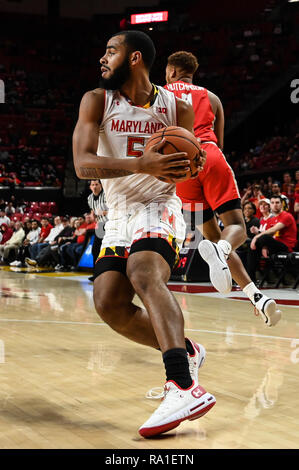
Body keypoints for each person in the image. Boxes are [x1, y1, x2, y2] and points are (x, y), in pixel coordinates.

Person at [73, 30, 214, 438]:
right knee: (109, 303)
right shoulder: (97, 100)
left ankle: (183, 385)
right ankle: (186, 351)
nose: (102, 58)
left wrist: (192, 163)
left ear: (135, 58)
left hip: (159, 205)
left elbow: (186, 164)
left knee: (144, 272)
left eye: (110, 51)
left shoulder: (177, 108)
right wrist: (141, 164)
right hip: (118, 212)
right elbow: (83, 164)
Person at [164, 51, 281, 326]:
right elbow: (221, 143)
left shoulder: (159, 95)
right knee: (234, 228)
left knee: (215, 238)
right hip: (209, 155)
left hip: (181, 169)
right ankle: (224, 251)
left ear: (170, 71)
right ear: (193, 72)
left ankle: (256, 297)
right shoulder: (212, 97)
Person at [247, 195, 297, 281]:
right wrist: (264, 246)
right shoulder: (274, 218)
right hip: (275, 245)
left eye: (277, 202)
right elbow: (271, 236)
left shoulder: (286, 216)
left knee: (261, 239)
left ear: (282, 204)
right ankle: (251, 280)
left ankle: (251, 279)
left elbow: (273, 230)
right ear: (270, 205)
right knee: (251, 247)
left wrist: (256, 237)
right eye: (273, 203)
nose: (275, 205)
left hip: (286, 246)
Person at [87, 179, 108, 273]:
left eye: (96, 184)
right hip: (100, 225)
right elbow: (93, 210)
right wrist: (92, 215)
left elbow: (116, 210)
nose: (94, 186)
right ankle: (96, 272)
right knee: (95, 250)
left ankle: (104, 272)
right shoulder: (90, 198)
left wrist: (103, 212)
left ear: (101, 186)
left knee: (106, 249)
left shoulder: (106, 195)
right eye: (93, 185)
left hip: (110, 224)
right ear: (90, 187)